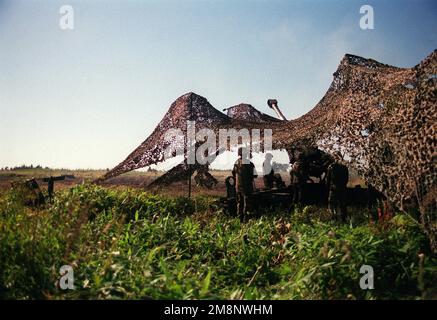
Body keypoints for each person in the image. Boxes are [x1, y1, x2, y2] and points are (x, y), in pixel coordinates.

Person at [232, 147, 257, 221]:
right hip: (247, 187)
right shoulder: (250, 164)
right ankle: (246, 219)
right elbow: (255, 175)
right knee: (247, 203)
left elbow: (233, 173)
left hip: (238, 187)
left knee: (240, 203)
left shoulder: (236, 162)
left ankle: (239, 219)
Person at [326, 153, 349, 222]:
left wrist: (328, 187)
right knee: (342, 204)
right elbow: (346, 179)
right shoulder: (344, 167)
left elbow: (328, 179)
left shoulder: (331, 167)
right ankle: (343, 219)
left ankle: (334, 218)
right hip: (342, 188)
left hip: (334, 188)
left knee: (333, 204)